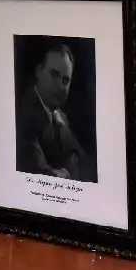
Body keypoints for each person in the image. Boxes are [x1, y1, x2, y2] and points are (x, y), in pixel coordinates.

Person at [16, 42, 95, 182]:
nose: (60, 86)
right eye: (54, 74)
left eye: (65, 80)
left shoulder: (59, 117)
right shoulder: (24, 112)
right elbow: (38, 174)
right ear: (38, 71)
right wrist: (67, 173)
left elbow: (85, 164)